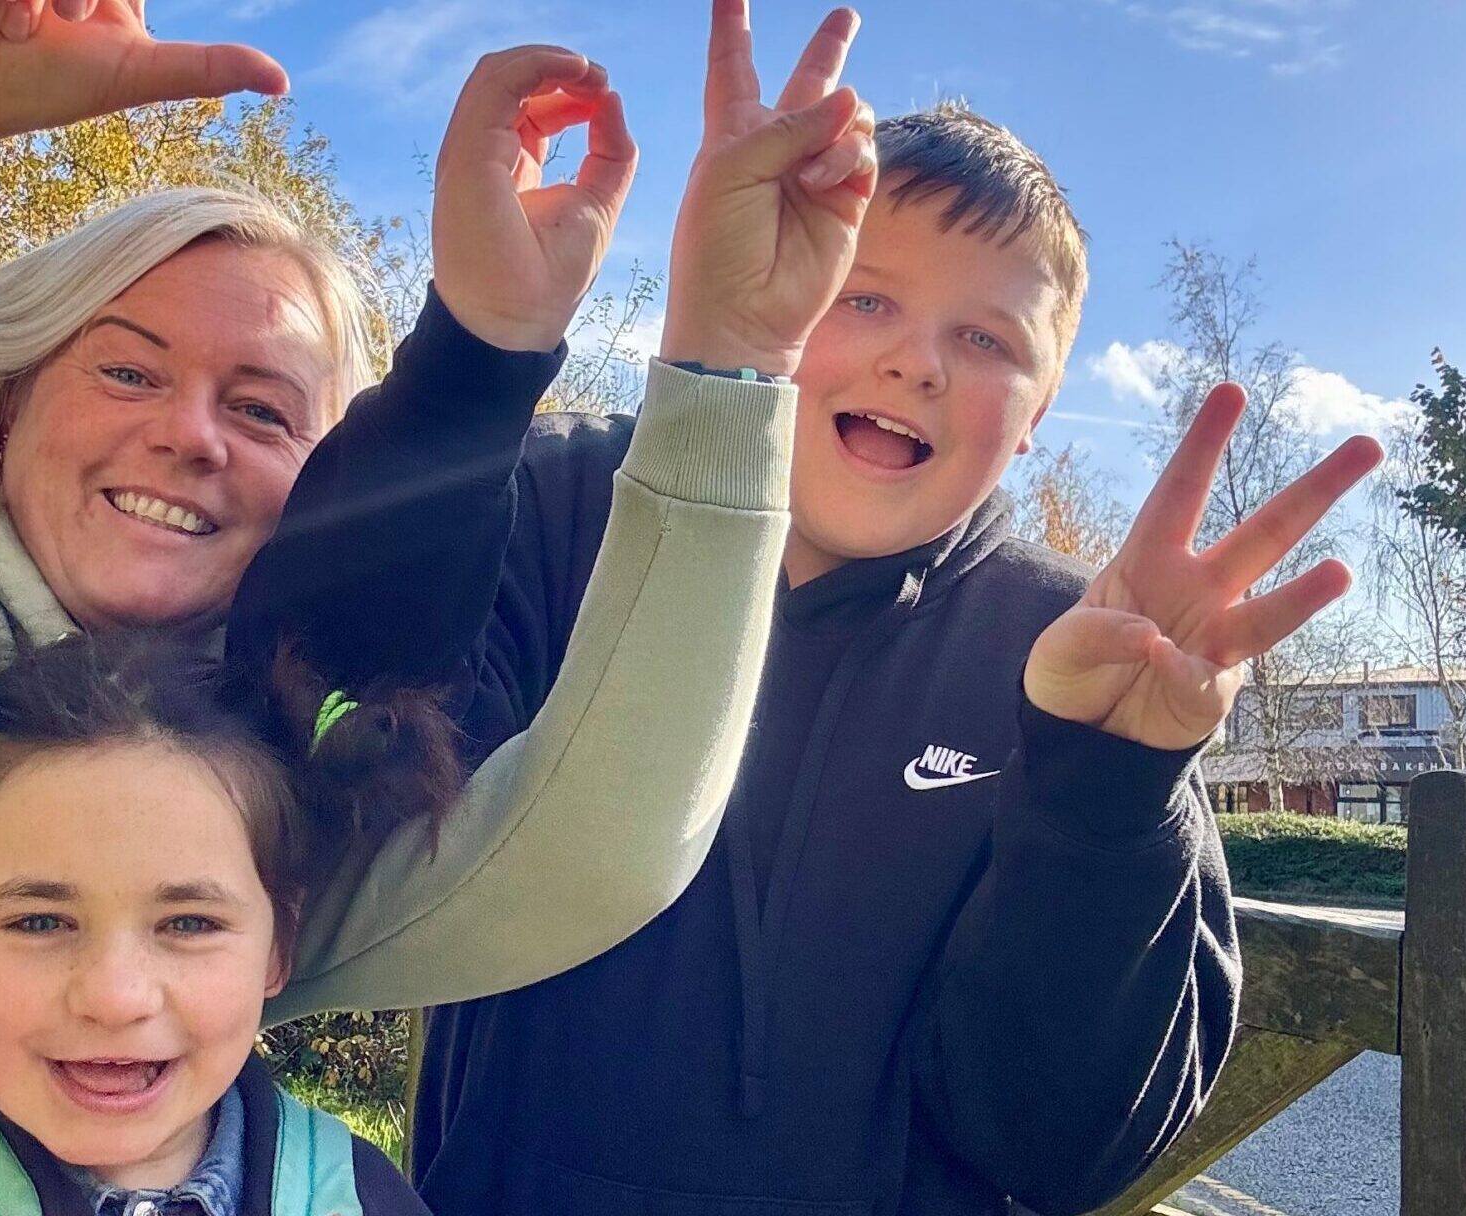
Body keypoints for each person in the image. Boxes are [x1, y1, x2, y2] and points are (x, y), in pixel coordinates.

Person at [0, 2, 867, 1208]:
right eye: (128, 368)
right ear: (9, 392)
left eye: (263, 411)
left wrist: (732, 372)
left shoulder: (246, 791)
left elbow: (595, 842)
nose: (189, 435)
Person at [401, 4, 1386, 1214]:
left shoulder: (1086, 664)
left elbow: (1062, 1145)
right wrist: (476, 352)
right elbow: (361, 776)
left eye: (985, 337)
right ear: (778, 279)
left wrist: (1106, 791)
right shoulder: (559, 505)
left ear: (1033, 423)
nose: (918, 361)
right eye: (864, 299)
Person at [0, 626, 451, 1215]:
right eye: (41, 923)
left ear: (278, 944)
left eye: (188, 924)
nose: (115, 998)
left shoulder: (358, 1197)